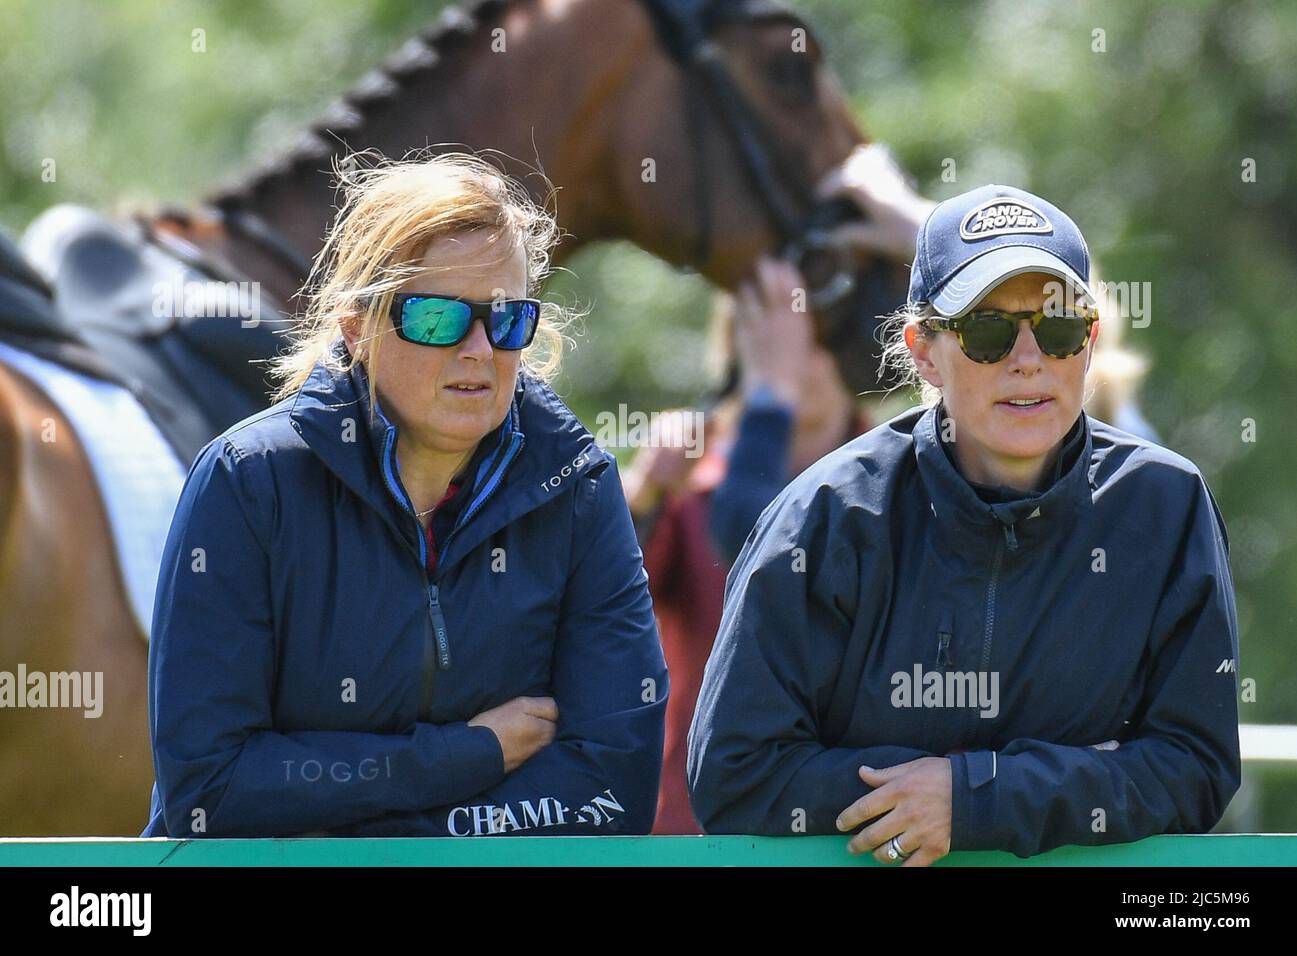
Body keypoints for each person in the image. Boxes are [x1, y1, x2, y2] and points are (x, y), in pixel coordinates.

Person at [687, 184, 1241, 864]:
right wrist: (952, 793)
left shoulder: (1167, 504)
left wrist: (976, 797)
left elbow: (1197, 769)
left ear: (1091, 340)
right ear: (924, 350)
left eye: (1060, 326)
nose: (1029, 357)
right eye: (987, 330)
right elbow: (734, 780)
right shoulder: (822, 518)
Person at [142, 152, 667, 838]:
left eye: (506, 317)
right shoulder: (246, 482)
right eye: (437, 317)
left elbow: (611, 790)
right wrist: (464, 757)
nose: (479, 349)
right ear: (358, 328)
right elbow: (209, 790)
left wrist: (395, 838)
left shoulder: (577, 485)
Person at [624, 256, 876, 834]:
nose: (799, 357)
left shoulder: (908, 479)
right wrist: (644, 495)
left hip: (855, 825)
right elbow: (605, 613)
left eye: (818, 333)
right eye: (779, 337)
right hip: (701, 824)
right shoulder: (690, 485)